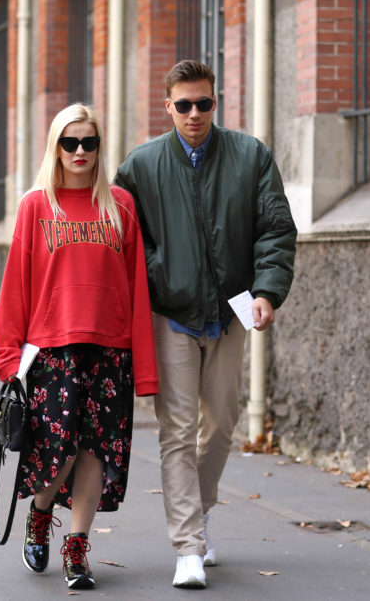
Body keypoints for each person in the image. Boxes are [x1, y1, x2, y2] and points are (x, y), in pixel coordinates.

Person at [114, 59, 297, 589]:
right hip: (170, 314)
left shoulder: (250, 156)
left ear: (216, 103)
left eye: (205, 103)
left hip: (232, 311)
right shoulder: (141, 166)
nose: (195, 114)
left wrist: (266, 292)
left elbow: (275, 228)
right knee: (176, 430)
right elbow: (125, 238)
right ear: (167, 106)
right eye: (184, 105)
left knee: (219, 424)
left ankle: (201, 509)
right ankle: (189, 546)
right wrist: (158, 272)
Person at [0, 103, 158, 590]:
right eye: (70, 142)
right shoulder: (36, 205)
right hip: (52, 349)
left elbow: (136, 289)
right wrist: (6, 357)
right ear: (56, 148)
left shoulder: (121, 205)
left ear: (100, 148)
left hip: (110, 350)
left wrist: (144, 369)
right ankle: (41, 513)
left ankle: (78, 546)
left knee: (95, 450)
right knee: (56, 449)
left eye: (89, 142)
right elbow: (16, 284)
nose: (80, 151)